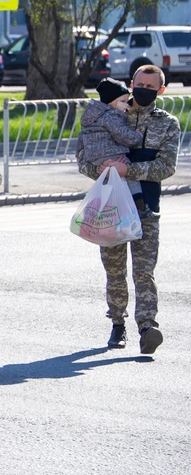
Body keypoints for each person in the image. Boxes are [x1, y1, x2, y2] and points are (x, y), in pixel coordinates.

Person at [75, 65, 178, 354]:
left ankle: (147, 326)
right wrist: (102, 169)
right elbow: (83, 157)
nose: (144, 89)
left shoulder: (167, 123)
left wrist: (127, 169)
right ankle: (117, 325)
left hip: (146, 208)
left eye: (151, 85)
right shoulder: (108, 112)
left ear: (161, 90)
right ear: (131, 84)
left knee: (144, 272)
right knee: (115, 270)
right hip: (109, 208)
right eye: (140, 83)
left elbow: (165, 167)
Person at [79, 78, 143, 198]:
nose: (126, 104)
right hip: (112, 155)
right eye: (123, 101)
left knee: (107, 181)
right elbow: (123, 135)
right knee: (128, 172)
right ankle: (139, 202)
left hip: (94, 158)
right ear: (110, 102)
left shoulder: (91, 116)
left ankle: (107, 204)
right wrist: (137, 136)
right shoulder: (112, 115)